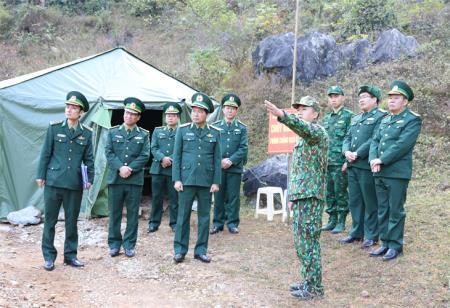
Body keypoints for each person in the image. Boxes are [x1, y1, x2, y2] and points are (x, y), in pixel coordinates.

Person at [264, 96, 328, 300]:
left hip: (310, 196)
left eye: (304, 108)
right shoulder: (303, 138)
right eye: (297, 109)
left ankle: (315, 288)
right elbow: (298, 170)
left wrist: (282, 115)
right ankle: (307, 281)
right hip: (302, 195)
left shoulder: (317, 132)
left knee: (308, 242)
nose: (299, 111)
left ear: (316, 113)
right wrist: (292, 195)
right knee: (302, 242)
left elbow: (303, 127)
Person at [36, 91, 94, 271]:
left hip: (74, 184)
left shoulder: (87, 133)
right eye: (67, 106)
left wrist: (89, 178)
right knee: (50, 221)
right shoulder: (54, 128)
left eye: (74, 108)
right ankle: (48, 256)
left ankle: (70, 256)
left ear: (81, 112)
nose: (69, 110)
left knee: (71, 222)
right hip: (54, 182)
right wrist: (41, 175)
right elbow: (45, 153)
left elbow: (89, 159)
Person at [369, 80, 422, 261]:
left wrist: (381, 159)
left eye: (396, 97)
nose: (391, 100)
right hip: (379, 171)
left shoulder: (412, 120)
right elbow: (374, 141)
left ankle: (395, 245)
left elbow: (402, 145)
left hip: (397, 173)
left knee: (395, 210)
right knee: (383, 209)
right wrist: (373, 160)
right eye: (390, 97)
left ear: (405, 101)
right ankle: (384, 243)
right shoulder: (384, 120)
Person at [172, 92, 221, 264]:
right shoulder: (182, 130)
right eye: (194, 110)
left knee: (204, 217)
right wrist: (176, 179)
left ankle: (201, 250)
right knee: (182, 216)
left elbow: (217, 159)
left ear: (206, 114)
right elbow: (176, 157)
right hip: (186, 180)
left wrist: (216, 181)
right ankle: (179, 250)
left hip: (206, 182)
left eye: (200, 111)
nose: (196, 114)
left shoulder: (215, 133)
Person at [339, 85, 386, 248]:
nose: (361, 99)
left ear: (375, 99)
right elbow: (347, 137)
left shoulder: (381, 116)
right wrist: (346, 152)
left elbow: (375, 139)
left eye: (365, 96)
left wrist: (357, 153)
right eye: (360, 97)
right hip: (352, 165)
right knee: (355, 201)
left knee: (370, 200)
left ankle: (371, 234)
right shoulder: (356, 118)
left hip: (366, 165)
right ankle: (356, 232)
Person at [105, 97, 150, 258]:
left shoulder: (144, 134)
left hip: (134, 180)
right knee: (115, 213)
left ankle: (129, 245)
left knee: (132, 215)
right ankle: (114, 244)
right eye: (127, 112)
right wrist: (120, 167)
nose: (129, 116)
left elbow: (145, 155)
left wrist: (130, 168)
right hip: (116, 179)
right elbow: (109, 152)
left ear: (138, 117)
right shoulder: (113, 132)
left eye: (133, 114)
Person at [210, 93, 248, 235]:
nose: (230, 110)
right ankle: (217, 223)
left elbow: (243, 148)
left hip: (235, 168)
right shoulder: (214, 127)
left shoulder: (242, 128)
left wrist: (231, 160)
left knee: (233, 197)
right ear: (223, 109)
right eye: (227, 107)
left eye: (233, 108)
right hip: (219, 167)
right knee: (218, 196)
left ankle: (232, 223)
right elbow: (211, 146)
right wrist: (219, 161)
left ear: (236, 110)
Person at [321, 86, 353, 234]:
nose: (333, 99)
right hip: (327, 162)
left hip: (341, 162)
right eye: (331, 96)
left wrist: (348, 161)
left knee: (340, 192)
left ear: (343, 97)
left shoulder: (349, 116)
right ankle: (331, 219)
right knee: (329, 193)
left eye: (336, 96)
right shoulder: (326, 118)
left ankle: (341, 221)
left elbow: (351, 139)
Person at [148, 102, 182, 233]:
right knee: (157, 197)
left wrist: (170, 159)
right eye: (168, 115)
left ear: (178, 117)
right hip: (158, 169)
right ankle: (154, 222)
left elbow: (182, 149)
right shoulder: (158, 131)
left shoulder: (182, 131)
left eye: (173, 115)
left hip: (174, 170)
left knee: (175, 199)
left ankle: (174, 223)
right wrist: (162, 158)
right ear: (165, 117)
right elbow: (153, 147)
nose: (170, 118)